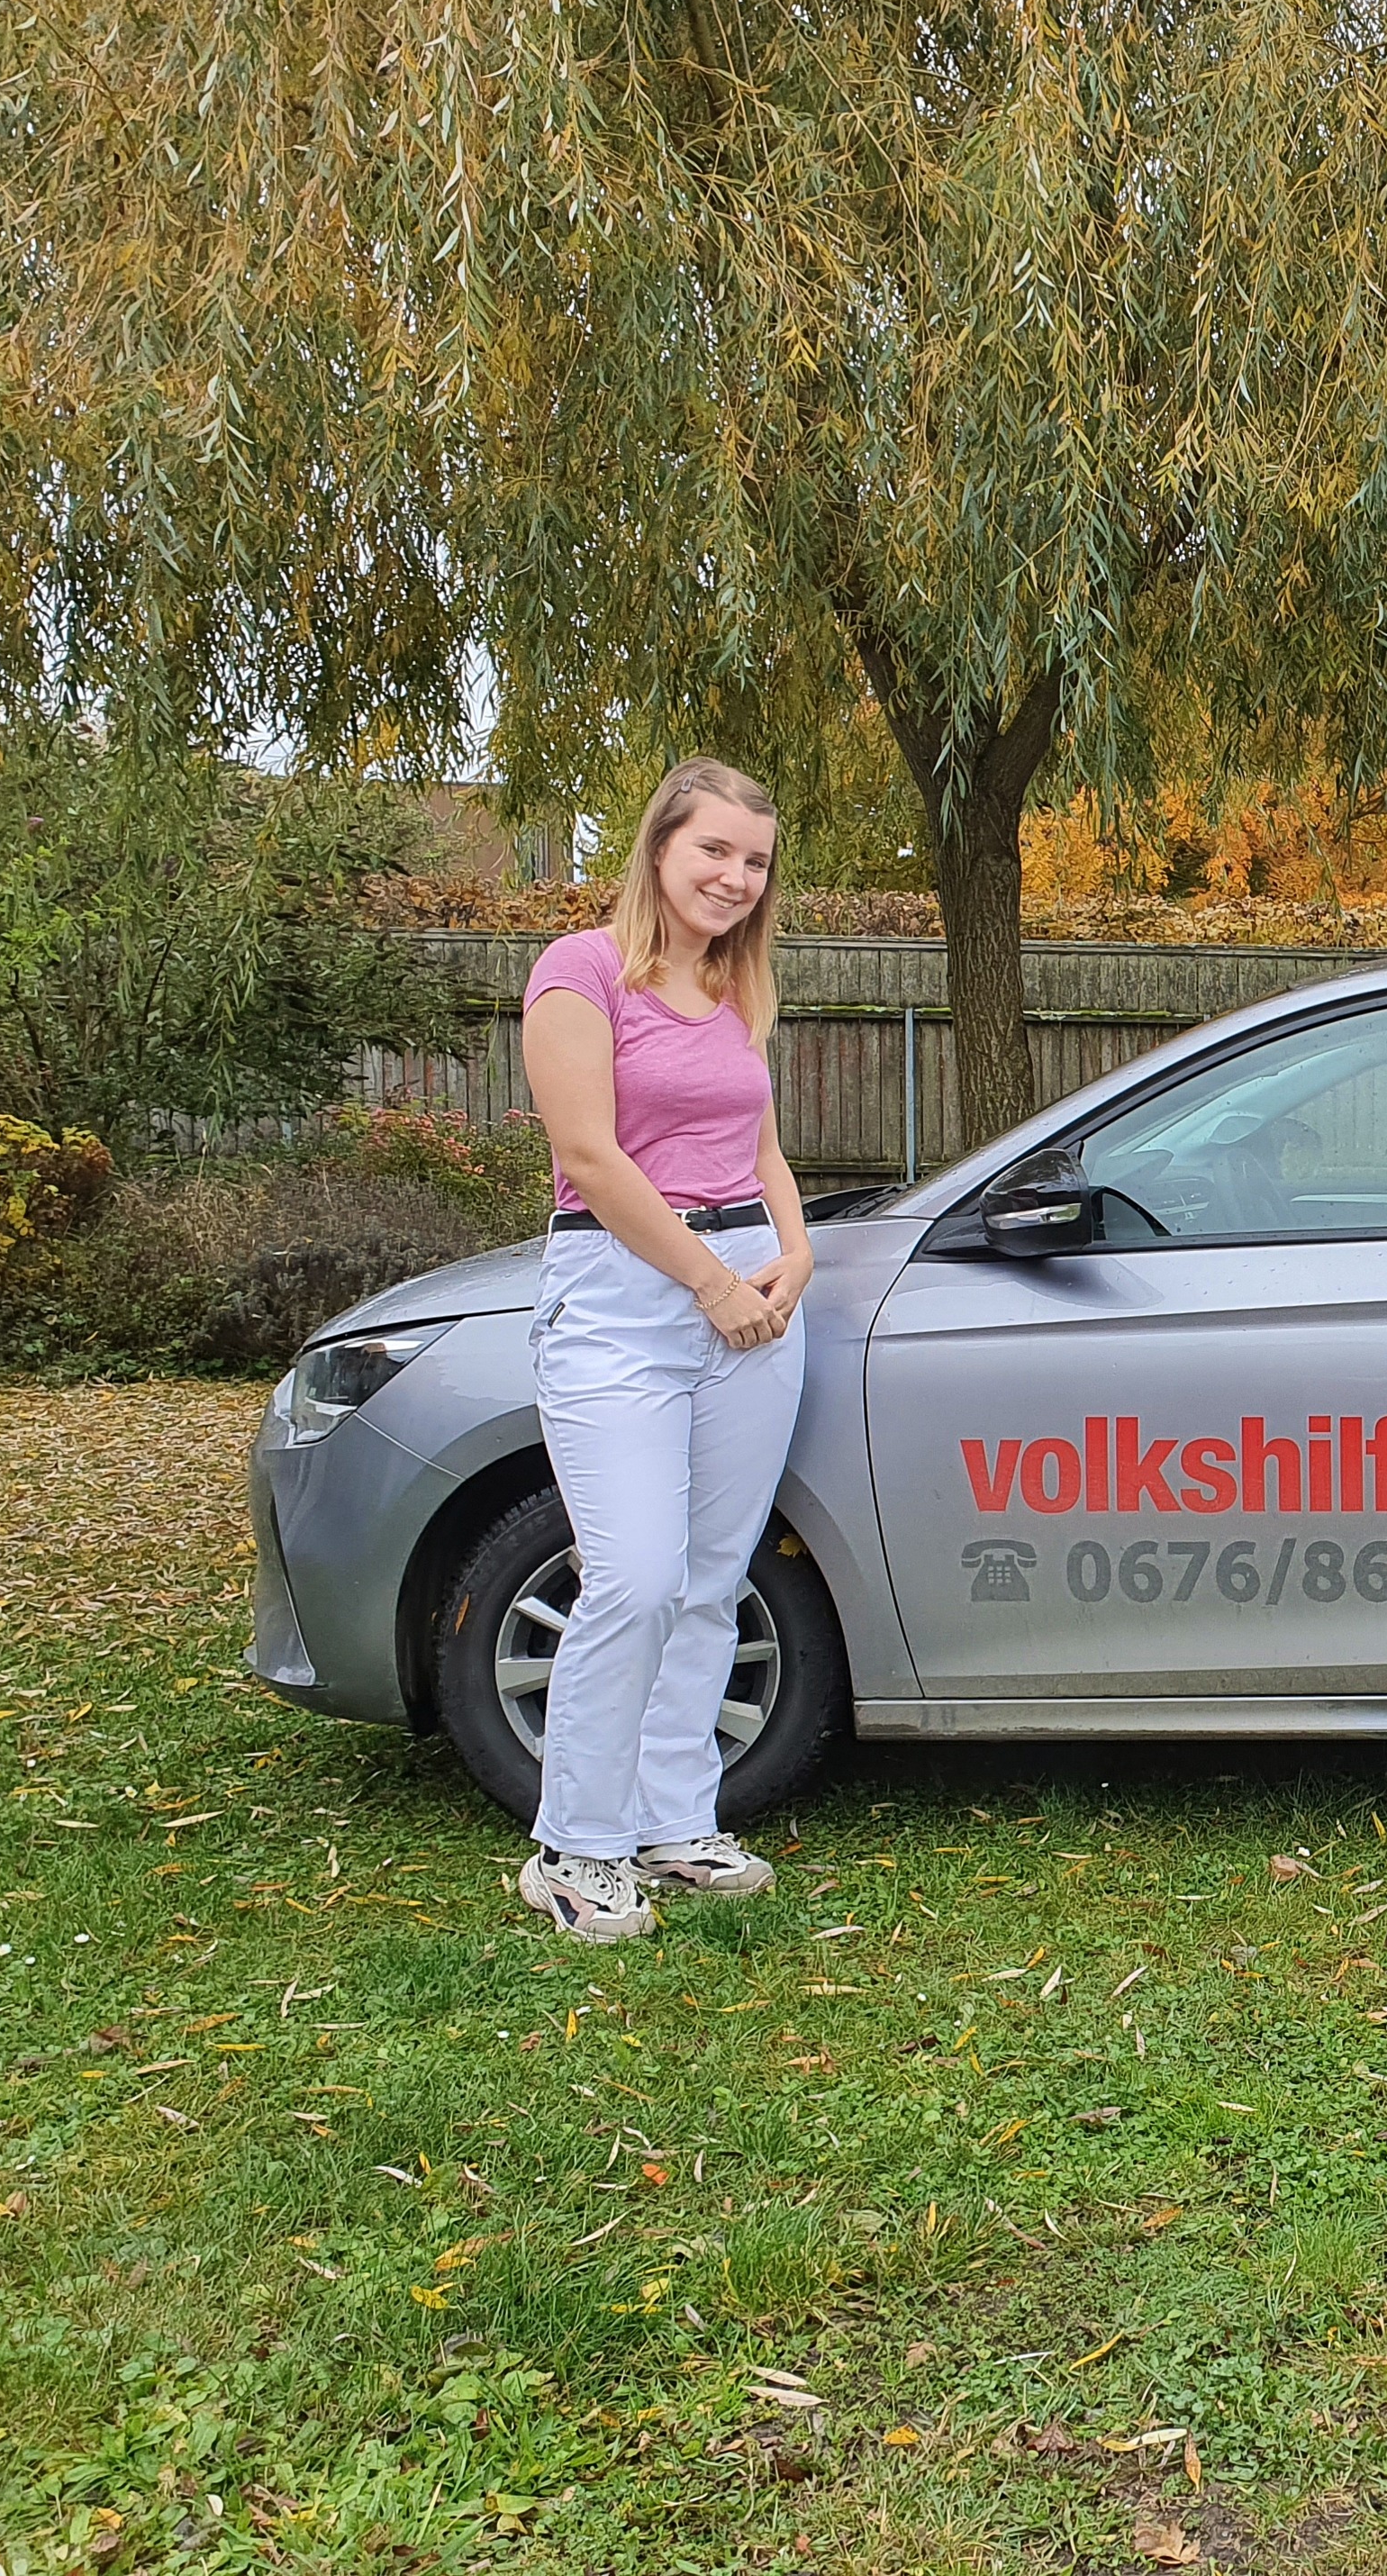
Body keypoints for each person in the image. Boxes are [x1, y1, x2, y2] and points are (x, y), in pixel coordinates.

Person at [514, 757, 813, 1942]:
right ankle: (575, 1850)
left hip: (752, 1297)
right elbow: (590, 1158)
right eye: (714, 851)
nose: (735, 877)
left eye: (755, 860)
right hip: (624, 1295)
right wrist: (710, 1284)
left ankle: (674, 1822)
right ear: (658, 848)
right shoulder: (580, 971)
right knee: (633, 1580)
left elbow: (763, 1150)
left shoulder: (735, 986)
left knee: (708, 1578)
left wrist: (795, 1255)